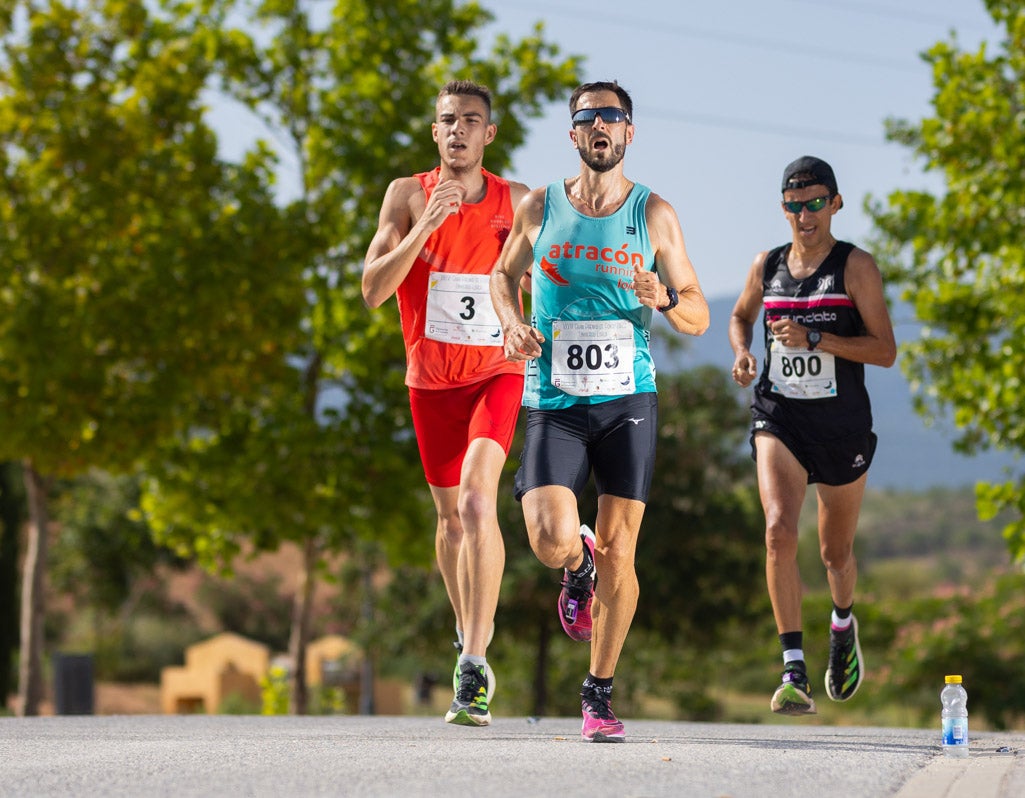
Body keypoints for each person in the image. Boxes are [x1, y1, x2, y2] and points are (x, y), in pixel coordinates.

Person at [490, 80, 709, 743]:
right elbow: (502, 278)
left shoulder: (655, 214)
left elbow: (698, 315)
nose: (601, 127)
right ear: (574, 133)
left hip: (626, 400)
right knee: (548, 538)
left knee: (623, 554)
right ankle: (574, 565)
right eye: (588, 118)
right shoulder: (541, 206)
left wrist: (667, 298)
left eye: (612, 117)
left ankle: (598, 693)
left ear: (630, 133)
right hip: (554, 400)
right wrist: (510, 323)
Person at [362, 79, 529, 727]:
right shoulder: (406, 195)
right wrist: (422, 228)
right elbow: (374, 290)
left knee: (477, 501)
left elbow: (540, 278)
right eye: (447, 120)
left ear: (489, 134)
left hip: (496, 374)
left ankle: (475, 664)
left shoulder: (516, 202)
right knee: (449, 523)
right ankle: (466, 632)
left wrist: (524, 324)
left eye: (471, 120)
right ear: (435, 132)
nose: (458, 129)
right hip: (430, 384)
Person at [728, 155, 896, 716]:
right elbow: (740, 316)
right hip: (780, 416)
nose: (806, 215)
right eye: (796, 206)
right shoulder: (766, 264)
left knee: (834, 552)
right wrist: (744, 353)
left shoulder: (856, 267)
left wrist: (817, 340)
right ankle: (792, 669)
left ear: (836, 203)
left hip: (841, 425)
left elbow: (885, 351)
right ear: (784, 208)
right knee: (778, 530)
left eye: (816, 204)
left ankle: (843, 624)